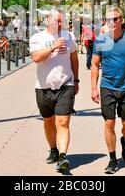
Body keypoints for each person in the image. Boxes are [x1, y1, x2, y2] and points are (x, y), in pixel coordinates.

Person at [91, 6, 125, 174]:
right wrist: (93, 88)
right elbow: (94, 64)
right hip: (107, 86)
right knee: (109, 122)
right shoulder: (100, 40)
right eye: (109, 19)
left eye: (115, 19)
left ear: (122, 20)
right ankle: (112, 159)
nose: (112, 22)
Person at [29, 9, 79, 174]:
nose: (59, 24)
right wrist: (53, 47)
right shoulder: (37, 38)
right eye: (56, 21)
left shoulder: (69, 36)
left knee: (63, 123)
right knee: (48, 121)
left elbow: (74, 58)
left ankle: (63, 156)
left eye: (61, 21)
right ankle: (53, 149)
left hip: (66, 85)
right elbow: (36, 58)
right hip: (43, 87)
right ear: (47, 21)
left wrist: (76, 80)